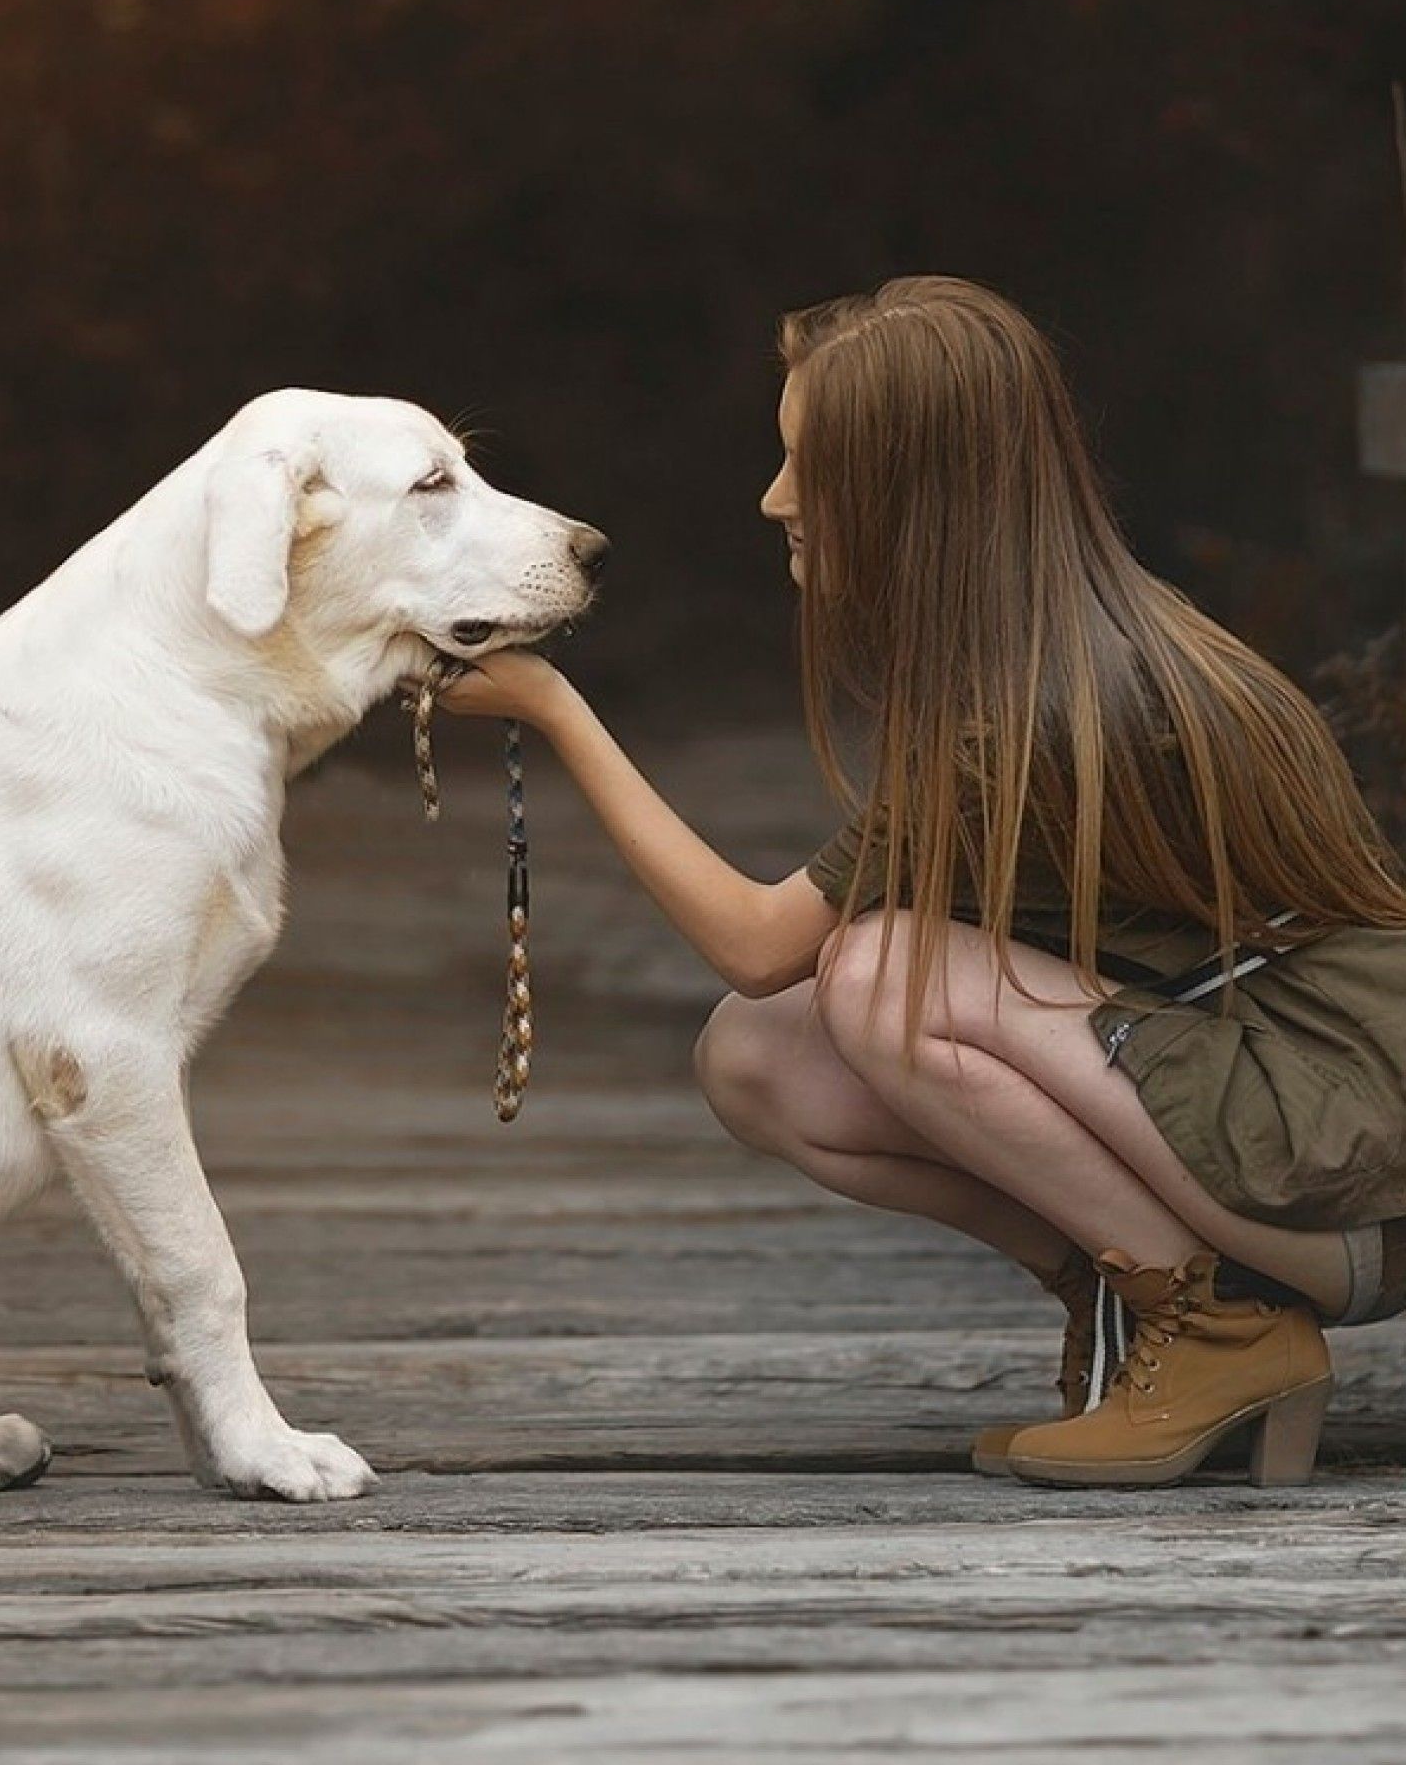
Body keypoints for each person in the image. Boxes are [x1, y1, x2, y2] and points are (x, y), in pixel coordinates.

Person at [433, 278, 1406, 1487]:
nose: (773, 497)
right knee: (758, 1055)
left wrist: (553, 708)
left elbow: (756, 940)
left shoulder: (1042, 709)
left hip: (1346, 1181)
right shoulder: (1033, 654)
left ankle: (1213, 1326)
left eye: (809, 464)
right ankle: (1138, 1299)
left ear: (913, 488)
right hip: (1278, 1126)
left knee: (880, 970)